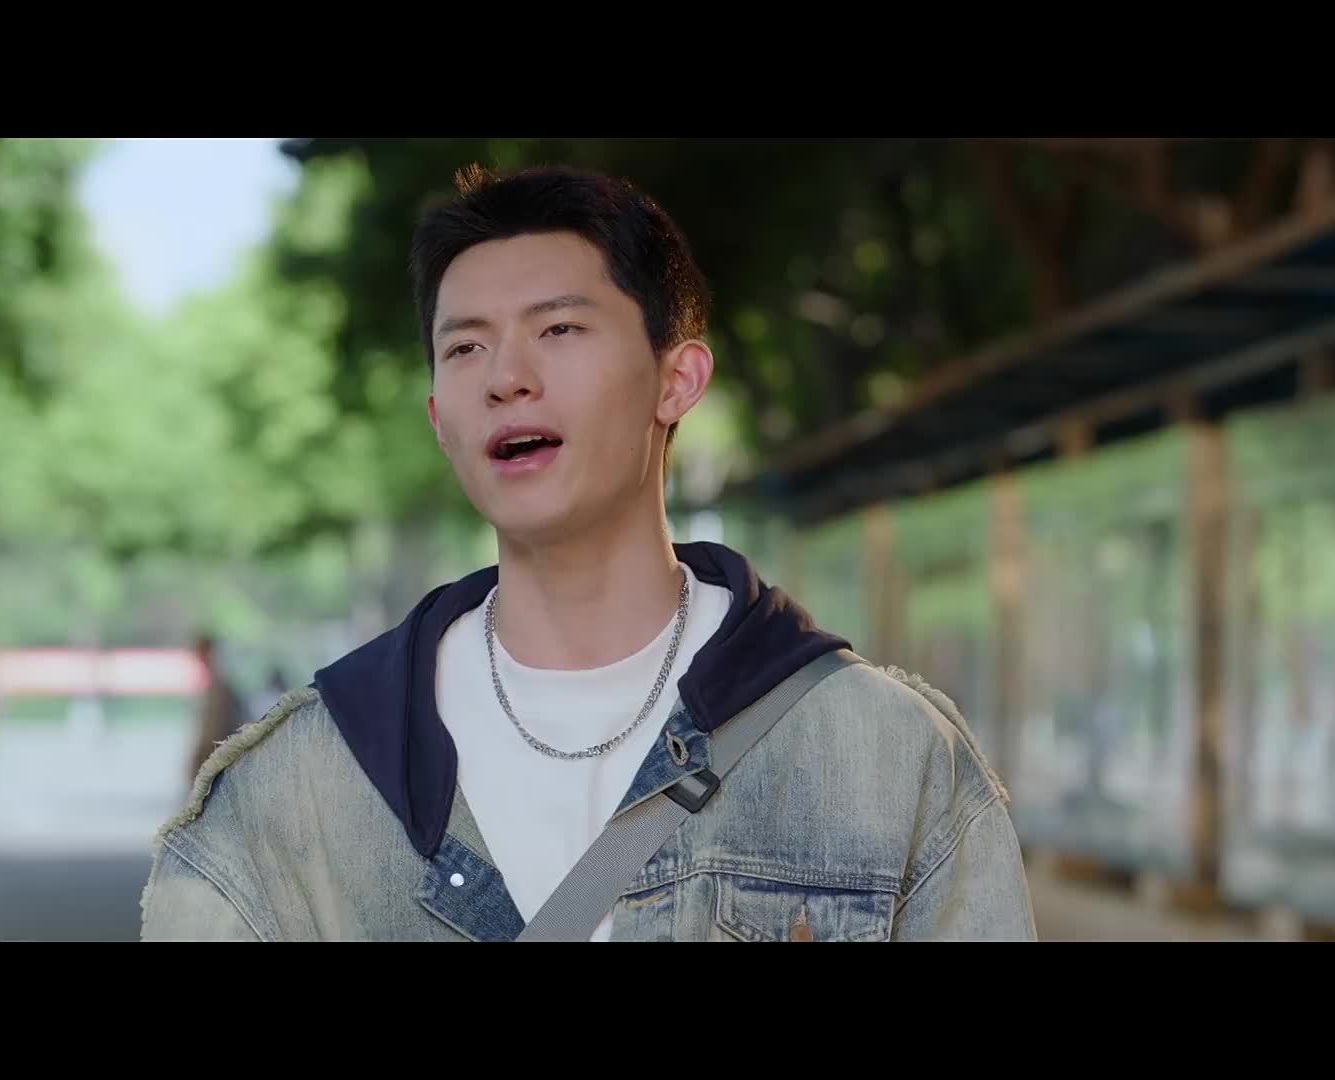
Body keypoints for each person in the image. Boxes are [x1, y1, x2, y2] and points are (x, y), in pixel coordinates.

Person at [141, 165, 1036, 942]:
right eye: (466, 346)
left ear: (676, 379)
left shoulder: (883, 758)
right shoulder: (297, 787)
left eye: (559, 329)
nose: (506, 377)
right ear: (440, 421)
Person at [185, 634, 247, 792]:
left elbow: (216, 724)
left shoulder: (219, 682)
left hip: (218, 749)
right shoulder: (213, 679)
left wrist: (205, 751)